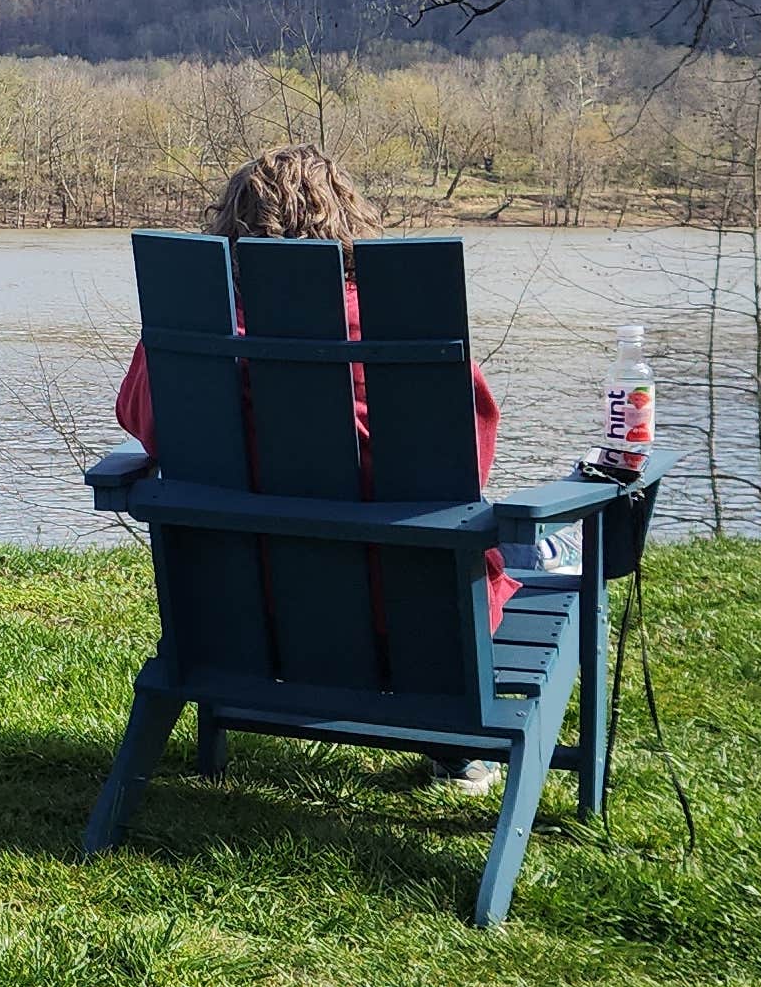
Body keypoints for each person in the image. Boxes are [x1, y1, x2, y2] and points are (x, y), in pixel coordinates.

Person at [113, 144, 526, 628]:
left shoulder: (191, 333)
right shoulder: (398, 327)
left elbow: (138, 418)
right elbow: (468, 466)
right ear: (348, 220)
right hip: (417, 626)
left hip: (241, 625)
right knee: (554, 553)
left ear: (229, 227)